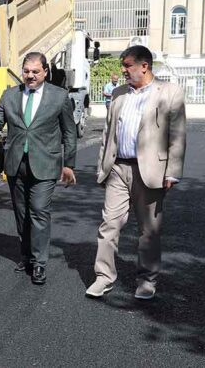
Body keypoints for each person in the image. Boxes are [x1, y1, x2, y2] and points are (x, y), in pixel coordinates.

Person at [85, 45, 186, 300]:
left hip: (151, 171)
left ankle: (147, 280)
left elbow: (177, 134)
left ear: (144, 66)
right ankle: (103, 277)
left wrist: (172, 172)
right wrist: (102, 168)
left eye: (128, 65)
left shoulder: (170, 92)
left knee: (149, 230)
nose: (123, 70)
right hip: (118, 168)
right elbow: (107, 134)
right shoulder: (118, 93)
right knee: (109, 225)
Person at [0, 52, 77, 284]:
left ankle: (40, 262)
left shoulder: (59, 97)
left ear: (45, 72)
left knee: (39, 211)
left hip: (45, 164)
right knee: (22, 214)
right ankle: (27, 255)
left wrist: (69, 164)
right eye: (26, 71)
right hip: (16, 163)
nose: (30, 75)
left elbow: (69, 132)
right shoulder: (10, 95)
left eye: (35, 71)